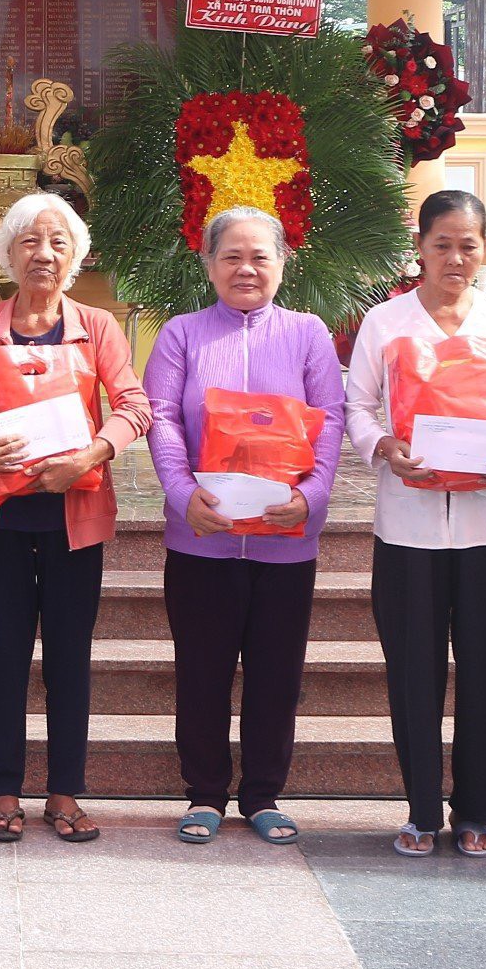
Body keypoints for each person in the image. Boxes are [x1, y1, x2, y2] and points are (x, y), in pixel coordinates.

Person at [345, 190, 486, 859]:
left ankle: (476, 810)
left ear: (484, 249)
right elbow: (356, 406)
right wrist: (383, 445)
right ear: (420, 248)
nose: (456, 258)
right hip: (408, 526)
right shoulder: (386, 322)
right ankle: (420, 808)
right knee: (413, 667)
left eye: (469, 245)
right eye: (442, 245)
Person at [0, 191, 148, 845]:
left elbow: (135, 406)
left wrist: (91, 452)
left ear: (75, 255)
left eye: (59, 242)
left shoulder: (98, 326)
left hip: (72, 517)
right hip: (0, 521)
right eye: (30, 240)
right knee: (2, 657)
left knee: (69, 658)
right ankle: (4, 792)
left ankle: (64, 792)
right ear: (8, 253)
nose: (44, 253)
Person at [143, 205, 343, 847]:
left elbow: (331, 418)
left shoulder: (308, 333)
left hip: (286, 542)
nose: (246, 268)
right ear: (207, 264)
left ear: (284, 263)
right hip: (202, 540)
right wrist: (183, 495)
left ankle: (263, 795)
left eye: (260, 256)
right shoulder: (181, 335)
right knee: (201, 672)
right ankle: (204, 793)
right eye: (231, 256)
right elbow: (161, 418)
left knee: (276, 675)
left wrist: (311, 496)